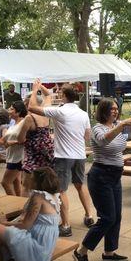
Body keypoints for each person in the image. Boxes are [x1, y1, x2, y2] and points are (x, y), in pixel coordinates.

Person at [72, 98, 131, 261]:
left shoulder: (116, 127)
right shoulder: (97, 128)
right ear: (103, 110)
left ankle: (109, 252)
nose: (115, 111)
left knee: (117, 216)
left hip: (115, 176)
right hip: (101, 176)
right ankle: (81, 251)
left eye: (116, 108)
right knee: (107, 217)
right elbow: (104, 140)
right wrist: (121, 125)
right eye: (111, 109)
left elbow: (124, 143)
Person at [27, 80, 94, 237]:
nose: (56, 93)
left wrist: (35, 88)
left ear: (64, 95)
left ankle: (66, 225)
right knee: (79, 184)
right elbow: (87, 136)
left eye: (59, 92)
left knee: (61, 190)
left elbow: (31, 108)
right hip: (80, 155)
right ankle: (89, 216)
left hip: (64, 156)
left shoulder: (59, 111)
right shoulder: (83, 113)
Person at [0, 101, 27, 196]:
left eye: (11, 109)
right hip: (11, 158)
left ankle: (13, 203)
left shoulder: (24, 123)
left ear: (18, 112)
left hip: (18, 159)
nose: (8, 111)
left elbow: (27, 139)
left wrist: (13, 143)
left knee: (5, 183)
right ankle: (19, 205)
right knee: (16, 183)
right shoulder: (13, 125)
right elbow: (2, 142)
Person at [16, 88, 55, 196]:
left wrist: (34, 89)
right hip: (47, 152)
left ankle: (25, 210)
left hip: (33, 154)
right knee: (44, 185)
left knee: (26, 186)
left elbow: (20, 139)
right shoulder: (46, 112)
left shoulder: (29, 118)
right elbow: (48, 95)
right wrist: (39, 86)